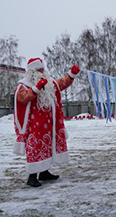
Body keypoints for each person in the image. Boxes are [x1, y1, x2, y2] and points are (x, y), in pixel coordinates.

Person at [13, 58, 80, 187]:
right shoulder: (24, 85)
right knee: (35, 148)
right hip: (34, 125)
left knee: (47, 147)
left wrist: (71, 75)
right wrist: (36, 89)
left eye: (42, 70)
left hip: (50, 124)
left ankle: (44, 172)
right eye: (39, 70)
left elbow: (61, 84)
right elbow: (22, 98)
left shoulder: (50, 83)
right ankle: (32, 176)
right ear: (32, 71)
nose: (42, 72)